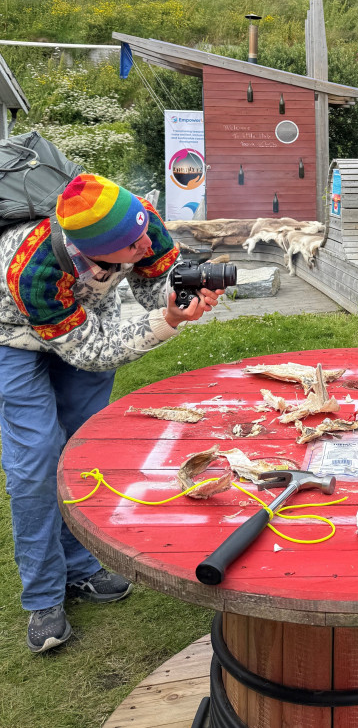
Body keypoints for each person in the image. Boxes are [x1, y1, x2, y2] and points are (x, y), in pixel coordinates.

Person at [0, 173, 225, 653]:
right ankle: (43, 597)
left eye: (144, 230)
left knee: (82, 448)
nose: (146, 242)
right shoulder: (34, 271)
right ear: (96, 252)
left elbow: (152, 284)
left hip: (87, 320)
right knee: (37, 459)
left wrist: (179, 295)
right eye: (132, 244)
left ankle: (80, 569)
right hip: (13, 339)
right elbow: (91, 353)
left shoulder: (139, 221)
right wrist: (164, 324)